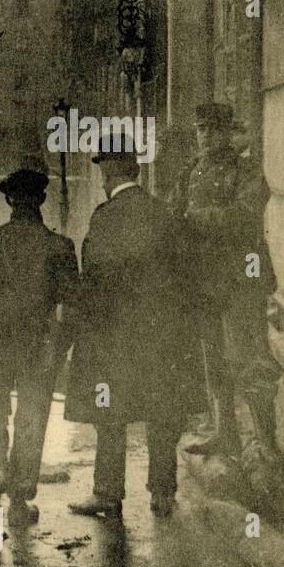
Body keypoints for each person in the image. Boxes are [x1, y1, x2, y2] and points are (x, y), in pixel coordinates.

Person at [65, 148, 205, 518]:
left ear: (107, 176)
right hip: (163, 334)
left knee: (110, 414)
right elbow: (188, 273)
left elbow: (93, 276)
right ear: (136, 173)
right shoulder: (166, 213)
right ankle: (162, 493)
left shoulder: (105, 218)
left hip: (116, 335)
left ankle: (108, 494)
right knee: (162, 410)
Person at [0, 167, 79, 524]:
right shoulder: (60, 246)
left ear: (8, 200)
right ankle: (20, 501)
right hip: (38, 347)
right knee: (31, 419)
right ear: (41, 201)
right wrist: (58, 347)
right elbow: (73, 308)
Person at [177, 103, 283, 491]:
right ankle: (226, 434)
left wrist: (196, 219)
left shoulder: (247, 170)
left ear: (227, 133)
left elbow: (243, 217)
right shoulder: (192, 170)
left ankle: (268, 445)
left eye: (212, 130)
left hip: (242, 279)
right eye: (200, 129)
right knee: (214, 359)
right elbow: (175, 212)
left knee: (251, 359)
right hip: (204, 279)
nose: (205, 136)